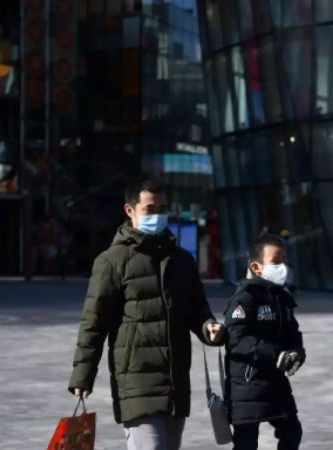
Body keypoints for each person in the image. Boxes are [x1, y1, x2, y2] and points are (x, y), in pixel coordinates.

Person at [67, 176, 226, 450]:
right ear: (130, 211)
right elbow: (93, 324)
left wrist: (209, 327)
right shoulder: (112, 261)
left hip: (176, 382)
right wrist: (83, 375)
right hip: (136, 381)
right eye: (150, 209)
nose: (158, 215)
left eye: (163, 209)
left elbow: (197, 309)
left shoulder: (181, 260)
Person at [224, 234, 305, 450]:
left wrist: (297, 352)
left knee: (292, 432)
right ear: (256, 267)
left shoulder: (281, 297)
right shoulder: (245, 297)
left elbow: (293, 332)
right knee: (247, 442)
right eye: (276, 262)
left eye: (285, 261)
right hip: (248, 383)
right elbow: (236, 338)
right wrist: (275, 354)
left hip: (276, 381)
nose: (283, 267)